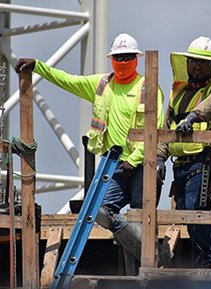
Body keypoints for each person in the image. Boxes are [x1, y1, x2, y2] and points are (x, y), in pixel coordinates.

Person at [15, 33, 168, 273]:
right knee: (100, 210)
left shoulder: (147, 87)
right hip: (114, 165)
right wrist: (39, 67)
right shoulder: (102, 85)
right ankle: (152, 253)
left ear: (137, 59)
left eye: (127, 57)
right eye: (119, 57)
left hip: (141, 165)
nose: (123, 61)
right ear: (111, 59)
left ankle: (141, 271)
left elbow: (155, 127)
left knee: (141, 221)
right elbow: (68, 80)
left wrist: (135, 159)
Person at [157, 36, 211, 268]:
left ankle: (209, 267)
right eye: (194, 61)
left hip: (204, 164)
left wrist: (193, 117)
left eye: (203, 63)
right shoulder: (178, 93)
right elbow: (165, 126)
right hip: (180, 165)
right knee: (190, 219)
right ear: (187, 63)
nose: (197, 66)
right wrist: (160, 157)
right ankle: (201, 268)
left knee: (197, 215)